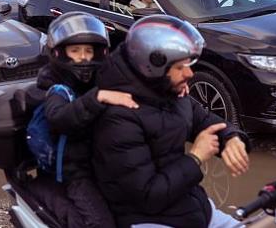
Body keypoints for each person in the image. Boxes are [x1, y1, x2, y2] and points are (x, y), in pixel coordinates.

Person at [93, 15, 250, 228]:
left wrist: (231, 137)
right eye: (180, 67)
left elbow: (204, 120)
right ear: (152, 67)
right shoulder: (118, 120)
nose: (190, 73)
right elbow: (148, 196)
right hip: (148, 219)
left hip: (191, 206)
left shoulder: (167, 91)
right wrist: (196, 157)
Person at [27, 14, 138, 228]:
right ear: (59, 52)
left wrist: (169, 85)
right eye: (75, 51)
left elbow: (130, 76)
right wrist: (96, 98)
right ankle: (42, 190)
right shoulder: (56, 89)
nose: (84, 58)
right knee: (100, 223)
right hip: (75, 171)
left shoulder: (102, 78)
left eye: (89, 51)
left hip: (103, 162)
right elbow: (59, 117)